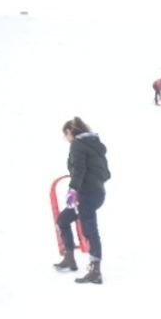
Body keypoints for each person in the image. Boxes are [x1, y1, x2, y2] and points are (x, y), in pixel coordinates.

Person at [54, 117, 111, 284]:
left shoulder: (77, 145)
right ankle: (70, 258)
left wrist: (73, 190)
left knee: (90, 230)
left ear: (69, 132)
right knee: (63, 220)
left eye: (65, 135)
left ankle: (95, 271)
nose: (65, 139)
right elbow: (106, 174)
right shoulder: (95, 145)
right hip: (97, 194)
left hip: (86, 195)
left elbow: (79, 170)